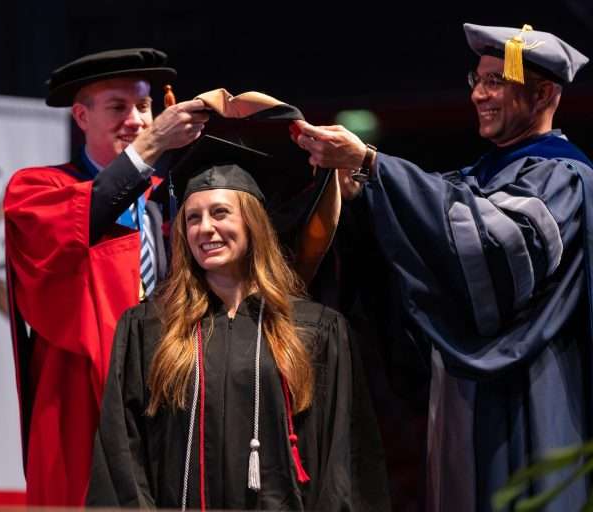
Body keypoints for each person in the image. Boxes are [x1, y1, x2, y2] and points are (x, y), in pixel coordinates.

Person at [294, 23, 591, 511]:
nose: (479, 93)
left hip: (532, 388)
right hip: (464, 394)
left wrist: (373, 164)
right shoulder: (480, 176)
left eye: (497, 80)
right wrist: (357, 194)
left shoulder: (563, 177)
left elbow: (496, 247)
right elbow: (427, 229)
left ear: (543, 93)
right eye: (476, 78)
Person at [87, 136, 390, 511]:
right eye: (193, 218)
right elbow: (122, 450)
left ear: (253, 223)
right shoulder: (149, 327)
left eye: (220, 213)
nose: (205, 228)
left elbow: (344, 456)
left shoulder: (314, 329)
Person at [3, 48, 209, 506]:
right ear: (81, 115)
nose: (136, 120)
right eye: (118, 107)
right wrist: (152, 147)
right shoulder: (37, 191)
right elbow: (90, 211)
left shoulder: (172, 201)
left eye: (144, 106)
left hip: (167, 397)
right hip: (79, 405)